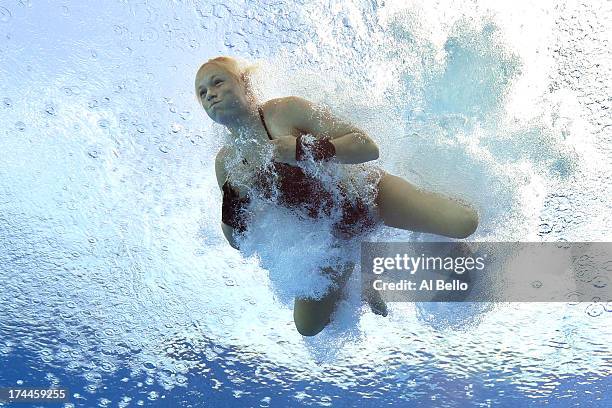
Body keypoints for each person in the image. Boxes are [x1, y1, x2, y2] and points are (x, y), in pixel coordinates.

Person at [195, 56, 479, 336]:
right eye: (202, 93)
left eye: (217, 82)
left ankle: (434, 207)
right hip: (331, 241)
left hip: (368, 197)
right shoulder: (227, 163)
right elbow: (237, 242)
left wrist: (303, 150)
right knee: (307, 327)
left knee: (465, 222)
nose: (210, 95)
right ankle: (359, 280)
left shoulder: (285, 111)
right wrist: (236, 198)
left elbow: (367, 146)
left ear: (245, 83)